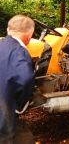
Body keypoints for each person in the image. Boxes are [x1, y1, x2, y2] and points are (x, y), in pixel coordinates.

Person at [0, 15, 35, 143]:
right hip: (4, 107)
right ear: (29, 35)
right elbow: (25, 78)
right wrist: (18, 105)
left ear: (8, 30)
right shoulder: (19, 51)